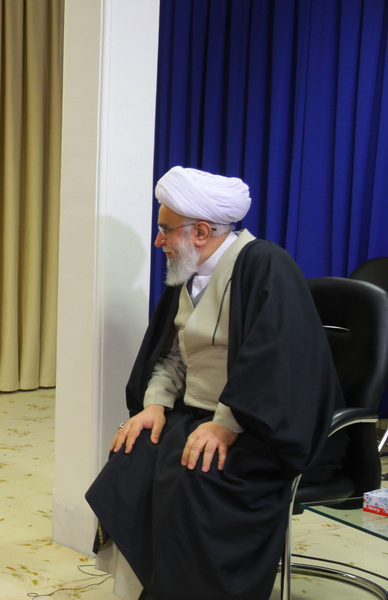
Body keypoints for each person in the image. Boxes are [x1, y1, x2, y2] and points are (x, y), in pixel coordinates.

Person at [84, 167, 342, 600]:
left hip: (258, 425)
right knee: (133, 455)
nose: (159, 241)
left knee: (195, 477)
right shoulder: (186, 273)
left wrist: (226, 424)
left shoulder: (264, 264)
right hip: (195, 414)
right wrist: (155, 404)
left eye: (165, 229)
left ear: (201, 231)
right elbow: (171, 354)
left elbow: (274, 363)